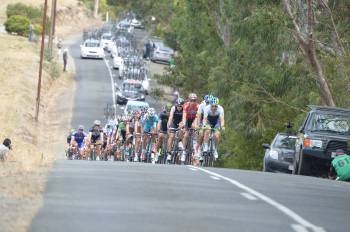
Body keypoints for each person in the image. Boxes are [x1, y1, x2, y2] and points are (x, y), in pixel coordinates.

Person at [181, 93, 199, 164]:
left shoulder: (198, 106)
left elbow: (198, 117)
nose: (193, 102)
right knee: (186, 135)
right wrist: (184, 125)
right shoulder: (186, 105)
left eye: (194, 100)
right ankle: (183, 151)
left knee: (196, 131)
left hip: (194, 120)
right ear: (189, 100)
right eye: (191, 100)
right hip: (187, 120)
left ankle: (195, 149)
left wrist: (196, 126)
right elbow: (184, 116)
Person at [195, 95, 213, 164]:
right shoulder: (202, 105)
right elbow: (199, 116)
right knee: (201, 133)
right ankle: (199, 149)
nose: (209, 103)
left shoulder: (213, 106)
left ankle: (212, 147)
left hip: (210, 121)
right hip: (203, 121)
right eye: (207, 102)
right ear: (205, 101)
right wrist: (198, 125)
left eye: (210, 102)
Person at [167, 98, 185, 163]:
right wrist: (168, 125)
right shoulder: (173, 108)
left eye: (180, 106)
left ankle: (180, 141)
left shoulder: (184, 109)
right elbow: (171, 117)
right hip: (174, 123)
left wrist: (183, 124)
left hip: (181, 122)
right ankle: (169, 153)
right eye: (178, 105)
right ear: (176, 105)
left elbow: (184, 118)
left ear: (183, 105)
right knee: (171, 136)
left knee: (181, 128)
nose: (179, 107)